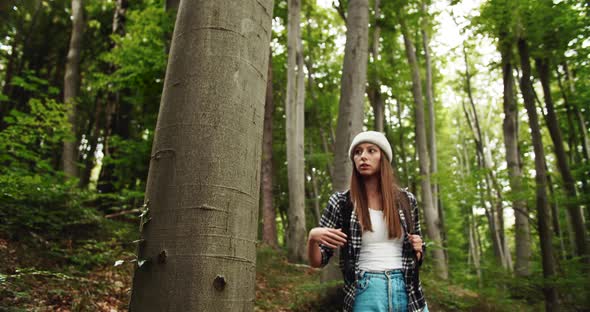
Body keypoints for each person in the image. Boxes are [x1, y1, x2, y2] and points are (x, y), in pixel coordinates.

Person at [307, 131, 428, 312]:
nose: (363, 156)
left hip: (408, 291)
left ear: (383, 158)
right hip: (367, 292)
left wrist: (418, 249)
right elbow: (318, 261)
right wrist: (312, 238)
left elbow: (418, 253)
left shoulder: (406, 200)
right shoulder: (341, 203)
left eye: (371, 151)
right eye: (358, 152)